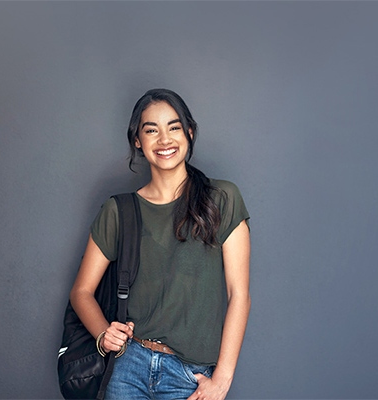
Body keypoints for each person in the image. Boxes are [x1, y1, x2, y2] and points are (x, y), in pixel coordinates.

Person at [69, 88, 250, 400]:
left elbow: (239, 295)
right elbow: (81, 292)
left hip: (189, 376)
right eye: (151, 130)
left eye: (174, 127)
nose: (164, 139)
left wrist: (222, 378)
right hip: (128, 368)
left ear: (190, 132)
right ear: (137, 140)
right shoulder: (120, 210)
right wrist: (103, 335)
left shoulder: (221, 199)